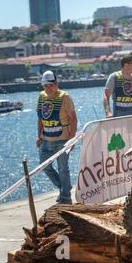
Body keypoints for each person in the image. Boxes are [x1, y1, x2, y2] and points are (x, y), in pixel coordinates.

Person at [36, 71, 78, 204]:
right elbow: (40, 118)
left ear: (56, 84)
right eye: (45, 86)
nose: (48, 88)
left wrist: (72, 140)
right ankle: (64, 187)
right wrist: (38, 136)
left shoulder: (65, 97)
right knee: (43, 166)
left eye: (50, 85)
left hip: (62, 140)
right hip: (46, 139)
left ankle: (65, 197)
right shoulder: (42, 96)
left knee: (63, 168)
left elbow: (73, 119)